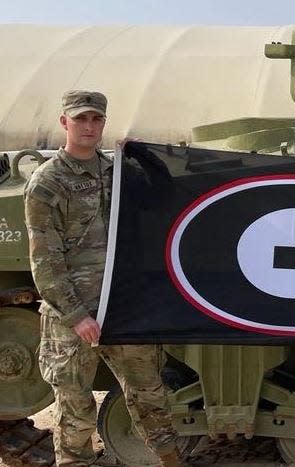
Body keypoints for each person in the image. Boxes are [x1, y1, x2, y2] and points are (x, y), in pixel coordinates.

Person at [24, 90, 182, 467]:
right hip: (72, 317)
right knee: (76, 412)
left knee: (151, 398)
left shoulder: (118, 172)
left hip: (122, 308)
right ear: (64, 122)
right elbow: (44, 260)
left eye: (96, 119)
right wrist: (77, 315)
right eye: (81, 119)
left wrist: (146, 158)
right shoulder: (48, 183)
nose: (89, 126)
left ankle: (172, 461)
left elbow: (164, 200)